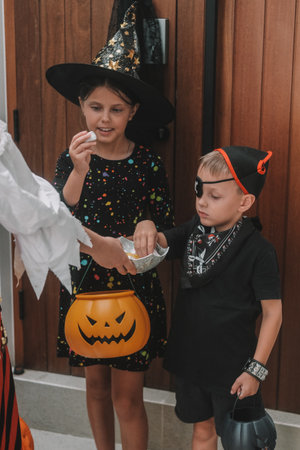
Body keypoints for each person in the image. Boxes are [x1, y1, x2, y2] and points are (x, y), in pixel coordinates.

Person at [46, 3, 174, 450]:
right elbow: (61, 216)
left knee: (127, 396)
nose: (104, 119)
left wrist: (147, 219)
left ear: (132, 111)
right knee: (96, 387)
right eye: (95, 107)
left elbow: (165, 223)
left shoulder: (147, 163)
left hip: (131, 288)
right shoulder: (71, 160)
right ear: (81, 106)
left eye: (116, 109)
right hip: (82, 284)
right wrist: (78, 170)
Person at [133, 146, 282, 450]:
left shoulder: (259, 252)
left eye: (215, 197)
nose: (202, 202)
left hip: (233, 368)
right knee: (202, 432)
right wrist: (146, 225)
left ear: (245, 201)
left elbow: (273, 314)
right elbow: (159, 242)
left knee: (239, 441)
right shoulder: (192, 232)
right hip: (192, 360)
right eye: (199, 191)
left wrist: (255, 371)